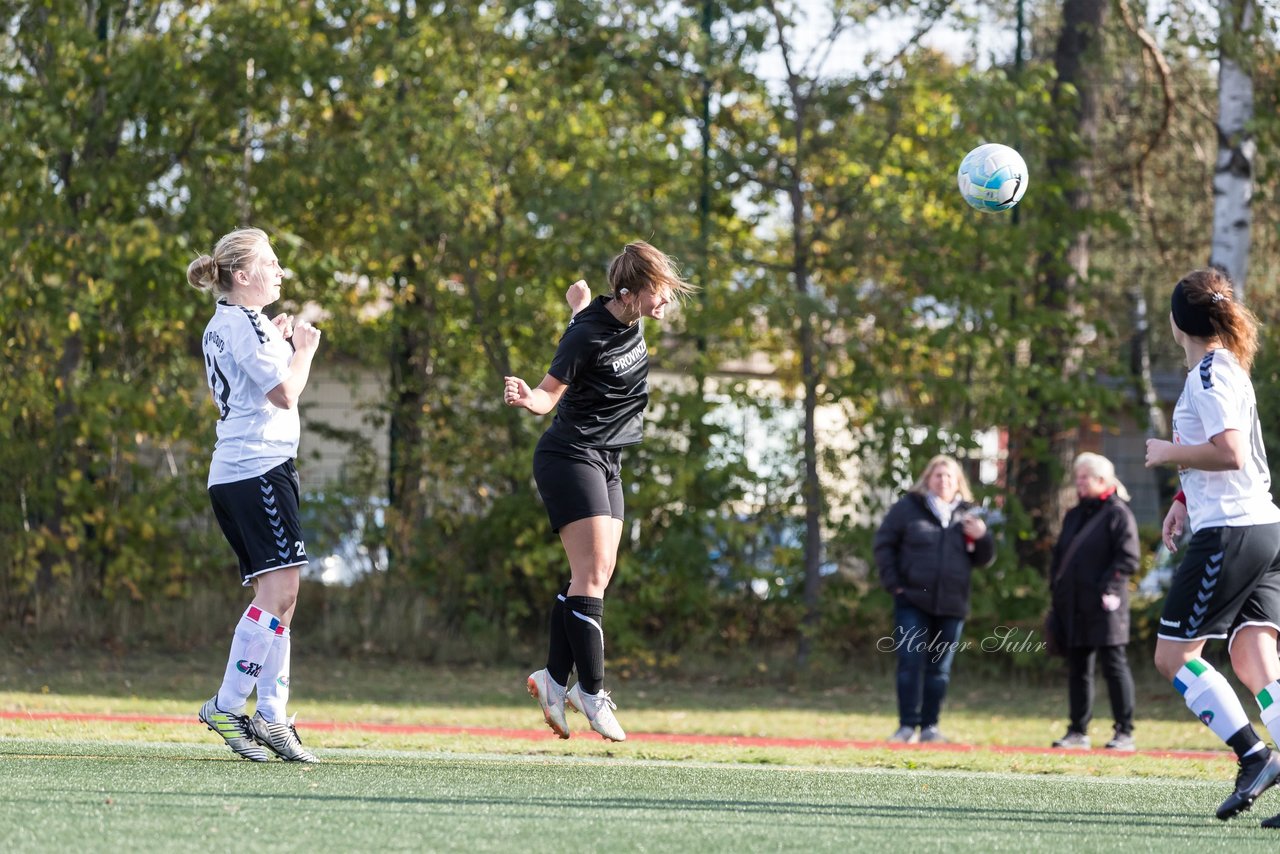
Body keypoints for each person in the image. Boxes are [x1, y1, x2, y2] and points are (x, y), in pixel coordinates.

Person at [504, 242, 695, 742]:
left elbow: (588, 317)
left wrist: (575, 304)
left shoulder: (622, 316)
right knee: (590, 576)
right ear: (631, 294)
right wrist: (530, 399)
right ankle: (591, 691)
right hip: (570, 455)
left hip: (607, 458)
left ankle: (551, 677)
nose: (667, 303)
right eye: (661, 293)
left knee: (596, 575)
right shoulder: (589, 331)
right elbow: (550, 392)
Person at [1145, 268, 1280, 824]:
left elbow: (1229, 453)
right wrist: (1183, 496)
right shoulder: (1225, 367)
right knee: (1256, 663)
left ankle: (1253, 756)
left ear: (1179, 320)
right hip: (1260, 528)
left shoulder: (1208, 374)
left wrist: (1166, 452)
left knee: (1174, 656)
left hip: (1231, 531)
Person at [188, 227, 321, 763]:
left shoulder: (236, 322)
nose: (280, 271)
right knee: (279, 596)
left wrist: (279, 340)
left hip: (247, 468)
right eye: (271, 262)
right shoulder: (243, 325)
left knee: (282, 601)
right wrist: (303, 351)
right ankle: (227, 705)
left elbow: (253, 378)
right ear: (242, 277)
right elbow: (284, 393)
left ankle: (270, 713)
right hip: (256, 468)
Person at [874, 454, 995, 744]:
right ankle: (906, 726)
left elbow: (983, 559)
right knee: (910, 663)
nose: (943, 481)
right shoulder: (907, 509)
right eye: (938, 475)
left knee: (939, 670)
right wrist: (895, 585)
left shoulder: (969, 515)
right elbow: (883, 545)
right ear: (927, 478)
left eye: (949, 477)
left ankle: (930, 727)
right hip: (912, 599)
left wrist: (983, 537)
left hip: (952, 603)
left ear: (958, 483)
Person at [1048, 453, 1140, 751]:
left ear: (1102, 480)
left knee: (1114, 665)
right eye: (1077, 477)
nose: (1079, 483)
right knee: (1078, 668)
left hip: (1105, 605)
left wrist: (1107, 588)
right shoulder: (1074, 514)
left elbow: (1128, 558)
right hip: (1073, 604)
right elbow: (1060, 557)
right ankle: (1077, 731)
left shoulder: (1118, 514)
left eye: (1084, 477)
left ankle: (1124, 731)